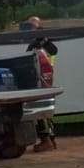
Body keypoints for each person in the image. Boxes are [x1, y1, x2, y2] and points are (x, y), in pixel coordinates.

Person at [21, 16, 59, 152]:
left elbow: (50, 53)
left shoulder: (41, 42)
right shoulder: (40, 42)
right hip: (45, 79)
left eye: (31, 26)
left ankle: (46, 140)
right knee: (46, 111)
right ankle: (51, 139)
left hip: (41, 79)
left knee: (40, 111)